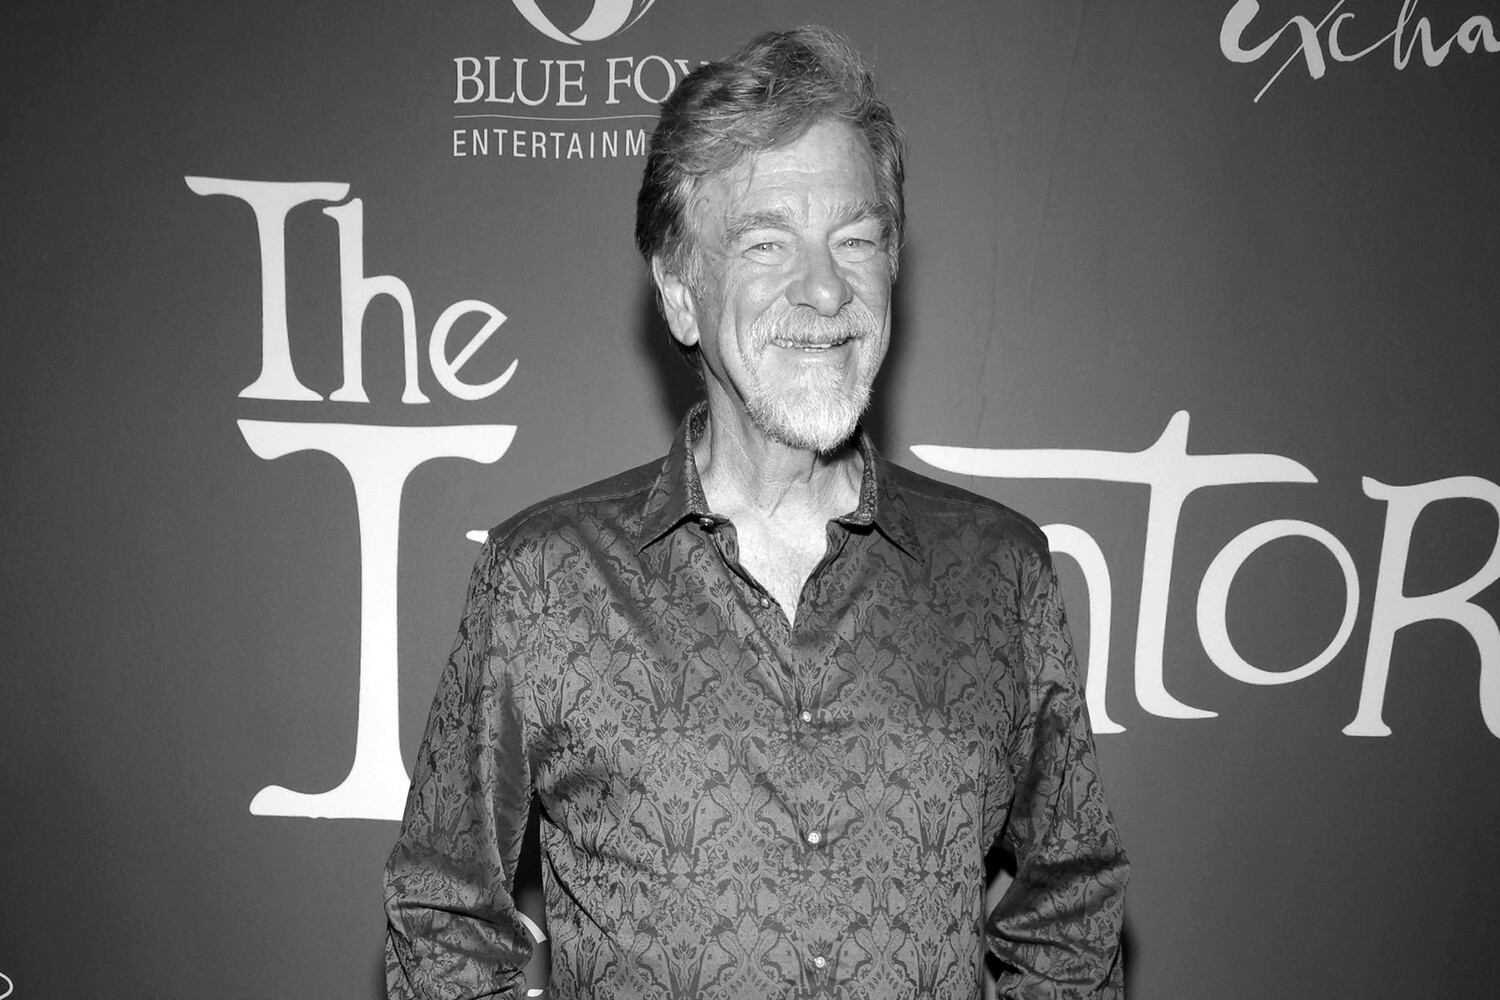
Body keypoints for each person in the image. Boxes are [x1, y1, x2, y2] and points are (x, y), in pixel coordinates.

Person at [384, 24, 1128, 1000]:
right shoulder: (546, 581)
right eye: (767, 242)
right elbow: (441, 917)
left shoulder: (1001, 573)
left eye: (856, 240)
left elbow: (1071, 912)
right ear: (680, 296)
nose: (824, 287)